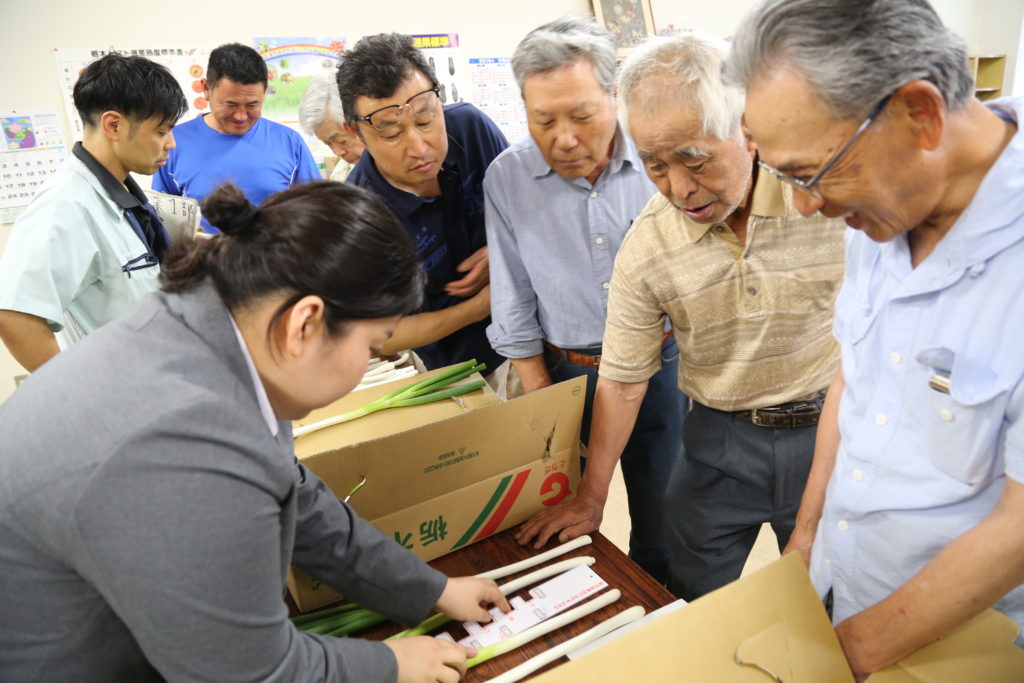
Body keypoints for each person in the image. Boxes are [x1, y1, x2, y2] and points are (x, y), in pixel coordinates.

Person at [0, 179, 508, 682]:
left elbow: (293, 491)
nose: (370, 363)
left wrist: (428, 589)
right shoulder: (179, 441)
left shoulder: (215, 326)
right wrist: (392, 664)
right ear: (305, 324)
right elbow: (245, 673)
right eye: (375, 347)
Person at [724, 0, 1024, 674]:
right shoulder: (880, 214)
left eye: (810, 173)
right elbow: (855, 380)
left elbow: (1020, 524)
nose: (805, 204)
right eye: (784, 176)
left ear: (919, 112)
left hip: (963, 641)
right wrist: (805, 539)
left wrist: (846, 654)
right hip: (847, 586)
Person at [517, 30, 848, 598]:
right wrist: (593, 496)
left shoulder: (822, 202)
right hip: (719, 441)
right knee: (689, 592)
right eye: (654, 165)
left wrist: (815, 523)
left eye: (695, 160)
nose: (679, 188)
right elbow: (623, 379)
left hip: (832, 430)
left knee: (830, 592)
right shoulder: (648, 246)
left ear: (745, 127)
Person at [490, 18, 686, 584]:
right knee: (555, 524)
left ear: (614, 95)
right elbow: (512, 298)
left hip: (660, 367)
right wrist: (542, 402)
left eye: (581, 116)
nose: (565, 138)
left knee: (662, 517)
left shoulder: (659, 161)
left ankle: (659, 616)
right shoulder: (506, 178)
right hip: (563, 371)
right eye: (543, 120)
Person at [0, 54, 186, 372]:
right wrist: (77, 396)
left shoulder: (125, 193)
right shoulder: (65, 204)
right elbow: (15, 315)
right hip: (121, 394)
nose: (171, 143)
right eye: (161, 131)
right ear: (113, 125)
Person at [337, 33, 506, 374]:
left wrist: (506, 250)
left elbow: (531, 212)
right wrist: (479, 306)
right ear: (356, 133)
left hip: (534, 335)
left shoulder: (472, 128)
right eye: (391, 132)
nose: (419, 147)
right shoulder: (359, 215)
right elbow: (381, 336)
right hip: (458, 370)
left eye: (426, 119)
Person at [153, 43, 321, 233]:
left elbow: (316, 212)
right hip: (204, 260)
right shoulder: (173, 142)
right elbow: (163, 221)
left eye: (252, 105)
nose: (241, 116)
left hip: (275, 260)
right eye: (230, 105)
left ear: (264, 93)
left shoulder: (289, 142)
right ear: (206, 89)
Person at [299, 74, 366, 182]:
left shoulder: (398, 166)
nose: (337, 152)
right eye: (328, 144)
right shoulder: (342, 176)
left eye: (342, 141)